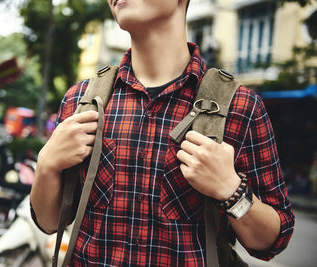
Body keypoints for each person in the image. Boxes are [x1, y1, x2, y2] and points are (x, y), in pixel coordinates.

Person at [30, 0, 294, 265]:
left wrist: (231, 190)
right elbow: (48, 222)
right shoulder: (82, 100)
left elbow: (271, 240)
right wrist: (46, 165)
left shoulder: (241, 106)